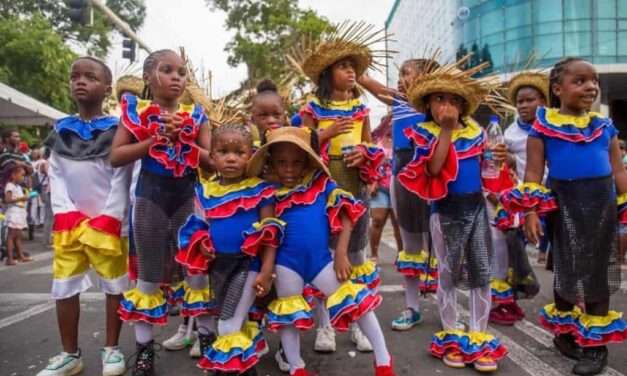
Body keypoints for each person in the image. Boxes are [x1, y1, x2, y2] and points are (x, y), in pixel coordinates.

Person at [502, 57, 627, 375]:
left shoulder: (604, 126)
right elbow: (532, 173)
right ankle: (566, 333)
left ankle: (595, 348)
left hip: (602, 205)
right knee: (566, 272)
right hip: (563, 205)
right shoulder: (542, 127)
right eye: (580, 81)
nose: (591, 86)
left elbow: (618, 170)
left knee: (598, 275)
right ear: (557, 89)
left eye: (594, 80)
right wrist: (530, 211)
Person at [247, 126, 395, 376]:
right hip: (286, 265)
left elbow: (347, 214)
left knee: (356, 302)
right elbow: (269, 235)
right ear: (271, 162)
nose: (290, 169)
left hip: (322, 262)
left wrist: (341, 252)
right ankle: (296, 368)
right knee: (288, 315)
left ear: (308, 160)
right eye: (282, 162)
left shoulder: (321, 184)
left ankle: (383, 361)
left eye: (296, 162)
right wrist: (267, 269)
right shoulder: (268, 193)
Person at [398, 60, 510, 372]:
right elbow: (433, 169)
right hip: (444, 212)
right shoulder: (423, 131)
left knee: (481, 272)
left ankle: (477, 335)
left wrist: (502, 158)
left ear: (463, 106)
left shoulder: (477, 132)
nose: (446, 106)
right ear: (427, 104)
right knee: (447, 274)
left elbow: (490, 171)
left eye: (453, 100)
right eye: (439, 99)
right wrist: (446, 130)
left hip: (476, 208)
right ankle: (451, 335)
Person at [110, 49, 212, 376]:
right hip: (150, 199)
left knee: (197, 275)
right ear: (148, 77)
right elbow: (116, 156)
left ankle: (210, 344)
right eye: (167, 70)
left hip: (187, 199)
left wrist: (184, 137)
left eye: (181, 72)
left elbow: (211, 161)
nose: (176, 77)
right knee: (149, 278)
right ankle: (143, 354)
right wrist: (153, 139)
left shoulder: (196, 115)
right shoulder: (136, 112)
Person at [37, 56, 132, 376]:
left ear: (107, 88)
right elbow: (57, 173)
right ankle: (69, 354)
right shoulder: (61, 129)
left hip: (108, 224)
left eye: (90, 77)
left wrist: (111, 216)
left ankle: (112, 349)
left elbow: (122, 175)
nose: (80, 81)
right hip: (71, 224)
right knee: (64, 287)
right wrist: (65, 212)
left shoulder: (119, 129)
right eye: (75, 76)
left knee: (113, 285)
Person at [296, 21, 386, 353]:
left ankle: (360, 325)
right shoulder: (312, 108)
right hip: (323, 183)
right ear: (327, 73)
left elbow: (370, 145)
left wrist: (367, 160)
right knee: (326, 256)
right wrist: (327, 134)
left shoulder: (361, 108)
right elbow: (300, 147)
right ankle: (325, 326)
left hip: (355, 183)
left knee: (357, 254)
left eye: (354, 68)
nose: (351, 73)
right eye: (343, 67)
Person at [176, 123, 281, 375]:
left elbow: (271, 234)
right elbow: (199, 227)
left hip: (248, 265)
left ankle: (232, 369)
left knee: (227, 326)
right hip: (218, 267)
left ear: (251, 156)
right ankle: (243, 370)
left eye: (239, 152)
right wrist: (203, 245)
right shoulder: (205, 191)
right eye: (223, 151)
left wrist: (267, 271)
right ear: (212, 157)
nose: (231, 158)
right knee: (234, 322)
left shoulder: (260, 190)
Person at [358, 57, 440, 331]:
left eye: (406, 73)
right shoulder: (399, 102)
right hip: (400, 175)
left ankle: (448, 309)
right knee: (410, 244)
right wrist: (354, 64)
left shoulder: (436, 109)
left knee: (437, 245)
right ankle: (412, 307)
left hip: (430, 177)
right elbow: (367, 82)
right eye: (399, 74)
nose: (400, 79)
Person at [368, 115, 402, 263]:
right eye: (388, 123)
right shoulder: (377, 141)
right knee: (377, 220)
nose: (390, 126)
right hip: (379, 188)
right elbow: (370, 162)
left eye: (393, 124)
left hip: (398, 188)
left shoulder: (402, 142)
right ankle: (374, 254)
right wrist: (372, 182)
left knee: (398, 223)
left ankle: (401, 255)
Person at [3, 165, 32, 265]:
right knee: (11, 236)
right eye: (21, 175)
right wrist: (21, 199)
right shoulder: (10, 185)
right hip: (14, 212)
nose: (23, 177)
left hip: (20, 212)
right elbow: (7, 200)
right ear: (13, 175)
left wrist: (25, 198)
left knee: (18, 236)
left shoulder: (19, 187)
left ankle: (21, 256)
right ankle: (9, 258)